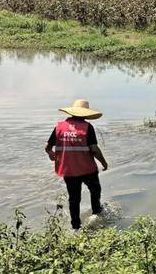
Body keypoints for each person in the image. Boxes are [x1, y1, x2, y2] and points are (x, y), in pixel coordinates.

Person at [45, 99, 108, 230]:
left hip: (69, 171)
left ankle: (75, 227)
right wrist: (104, 162)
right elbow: (94, 149)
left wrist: (51, 154)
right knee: (95, 190)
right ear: (85, 114)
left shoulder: (59, 127)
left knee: (74, 199)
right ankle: (96, 213)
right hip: (87, 169)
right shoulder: (87, 127)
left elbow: (47, 147)